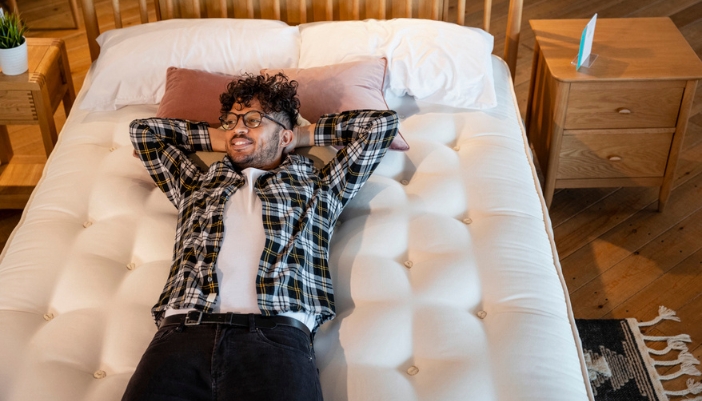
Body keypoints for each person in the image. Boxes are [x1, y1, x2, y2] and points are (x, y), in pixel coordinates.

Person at [122, 72, 399, 401]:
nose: (238, 128)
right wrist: (228, 136)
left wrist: (300, 135)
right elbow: (144, 132)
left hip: (276, 339)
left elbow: (381, 125)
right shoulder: (195, 182)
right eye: (230, 121)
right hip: (181, 334)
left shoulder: (320, 186)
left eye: (254, 119)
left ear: (284, 136)